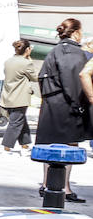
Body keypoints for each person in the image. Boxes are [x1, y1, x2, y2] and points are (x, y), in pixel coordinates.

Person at [38, 18, 89, 203]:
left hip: (51, 105)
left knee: (50, 146)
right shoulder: (73, 52)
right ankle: (65, 188)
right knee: (68, 147)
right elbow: (73, 82)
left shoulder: (55, 50)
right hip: (67, 108)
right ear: (75, 32)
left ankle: (46, 183)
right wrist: (80, 105)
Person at [0, 39, 37, 154]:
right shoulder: (26, 63)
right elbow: (35, 77)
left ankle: (25, 145)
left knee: (21, 120)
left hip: (8, 95)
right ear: (27, 50)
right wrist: (29, 59)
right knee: (16, 122)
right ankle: (7, 147)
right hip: (20, 97)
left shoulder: (8, 61)